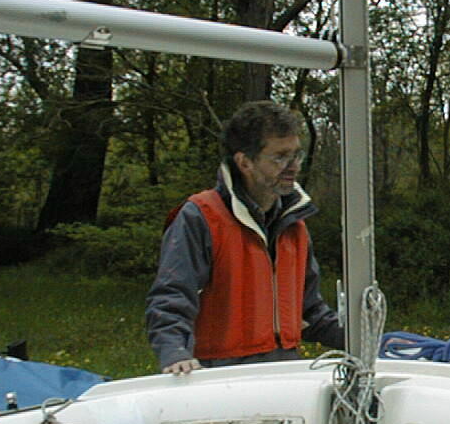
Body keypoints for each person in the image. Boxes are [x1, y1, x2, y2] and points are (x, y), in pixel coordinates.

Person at [146, 100, 344, 374]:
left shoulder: (294, 224)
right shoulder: (201, 216)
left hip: (286, 372)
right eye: (280, 157)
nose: (294, 166)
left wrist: (367, 341)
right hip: (219, 375)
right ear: (245, 162)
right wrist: (174, 353)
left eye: (296, 155)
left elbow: (310, 311)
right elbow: (171, 297)